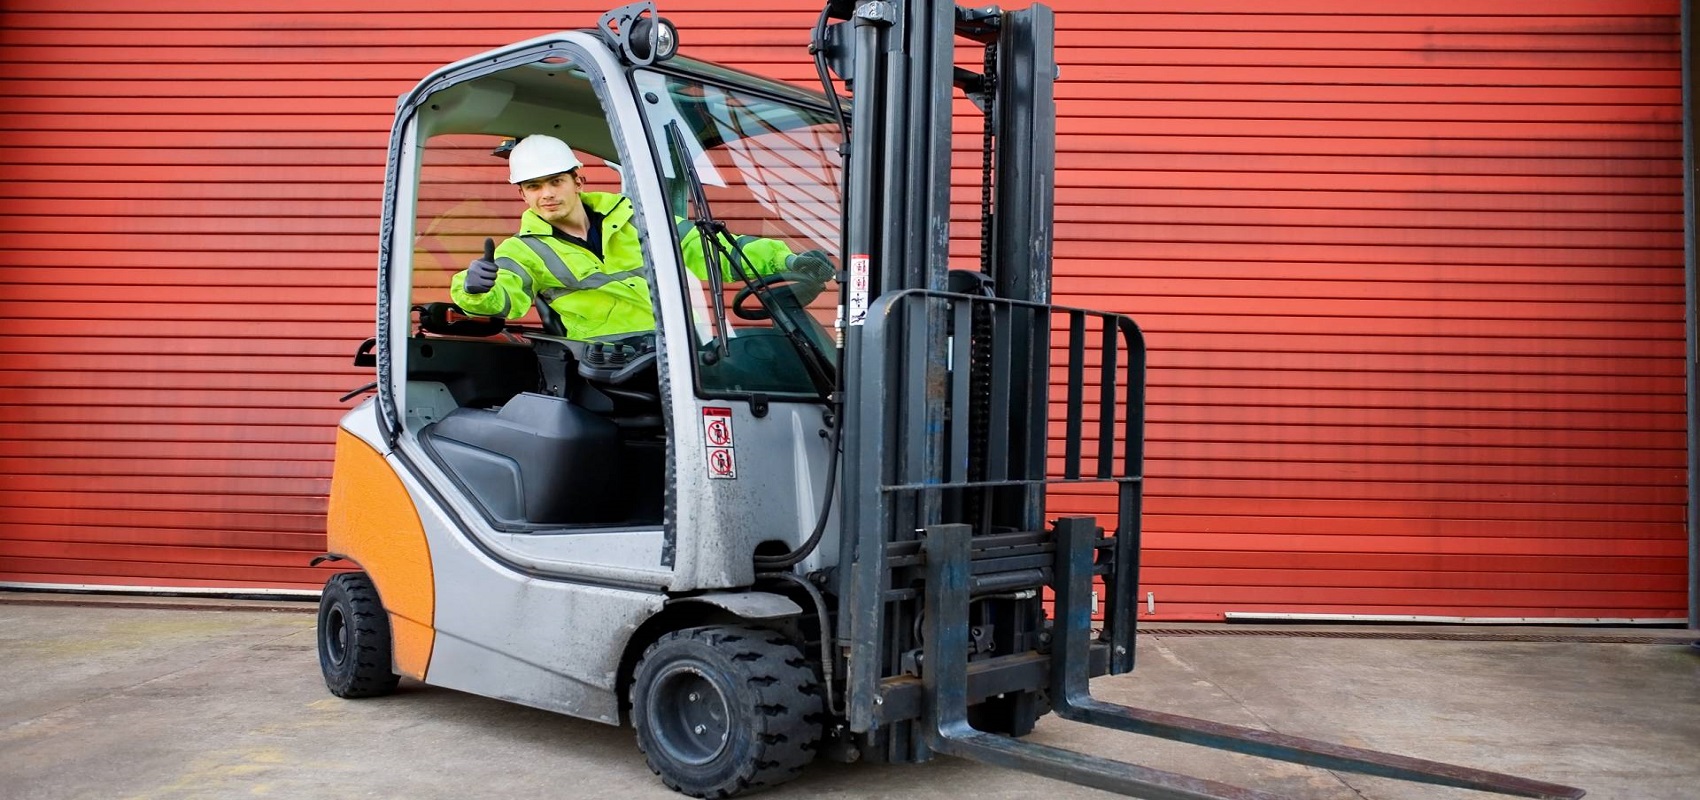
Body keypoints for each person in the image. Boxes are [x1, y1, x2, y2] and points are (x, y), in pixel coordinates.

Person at [450, 134, 834, 342]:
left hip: (678, 352)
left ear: (578, 180)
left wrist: (786, 261)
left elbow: (712, 247)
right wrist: (476, 290)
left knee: (764, 351)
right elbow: (506, 298)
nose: (547, 194)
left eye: (555, 181)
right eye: (534, 186)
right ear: (522, 194)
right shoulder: (522, 250)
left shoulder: (639, 218)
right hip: (603, 364)